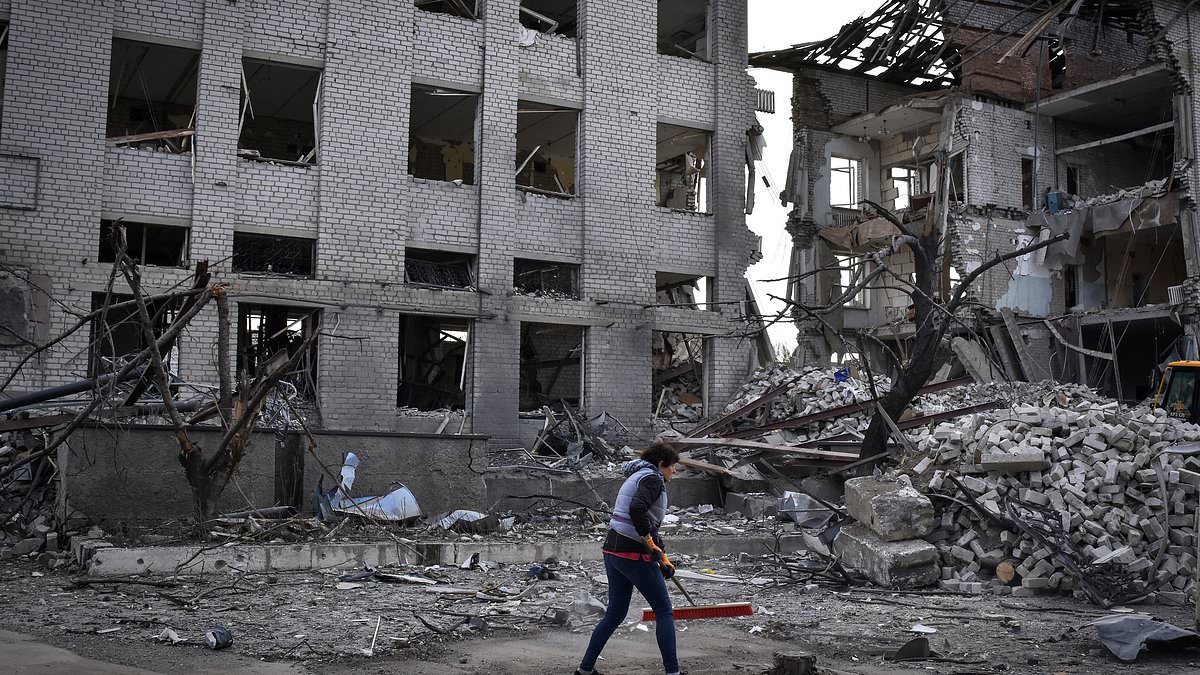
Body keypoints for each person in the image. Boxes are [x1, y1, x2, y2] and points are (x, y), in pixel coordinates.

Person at [574, 442, 685, 675]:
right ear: (661, 464)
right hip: (632, 552)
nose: (674, 471)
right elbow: (637, 510)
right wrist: (650, 545)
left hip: (613, 549)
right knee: (664, 610)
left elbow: (647, 524)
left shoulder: (637, 475)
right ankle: (673, 672)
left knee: (615, 613)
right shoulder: (653, 479)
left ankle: (584, 670)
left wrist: (662, 556)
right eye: (672, 466)